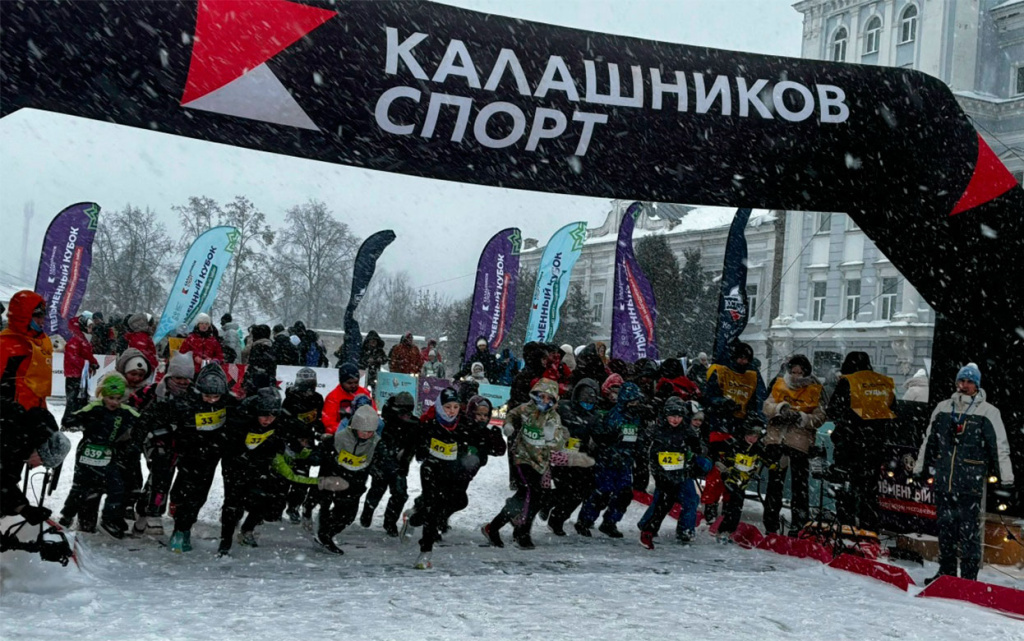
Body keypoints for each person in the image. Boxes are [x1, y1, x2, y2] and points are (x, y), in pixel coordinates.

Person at [913, 363, 1015, 583]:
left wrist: (1006, 478)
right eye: (962, 381)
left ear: (977, 385)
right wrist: (919, 468)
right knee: (946, 531)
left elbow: (1000, 446)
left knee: (969, 535)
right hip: (944, 482)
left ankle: (968, 579)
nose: (964, 385)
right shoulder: (942, 408)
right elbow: (928, 440)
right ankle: (946, 573)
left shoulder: (988, 412)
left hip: (970, 484)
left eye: (969, 382)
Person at [484, 380, 591, 550]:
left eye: (549, 398)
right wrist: (509, 425)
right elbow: (511, 413)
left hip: (541, 462)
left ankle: (494, 526)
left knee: (532, 497)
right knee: (529, 491)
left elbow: (558, 445)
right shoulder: (526, 409)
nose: (545, 401)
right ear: (535, 395)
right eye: (542, 396)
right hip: (522, 458)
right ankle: (522, 532)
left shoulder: (554, 418)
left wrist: (552, 438)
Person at [408, 389, 505, 568]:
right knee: (432, 505)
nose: (451, 411)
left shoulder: (463, 426)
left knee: (453, 502)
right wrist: (423, 449)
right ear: (439, 406)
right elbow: (417, 443)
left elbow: (495, 449)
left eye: (454, 407)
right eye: (447, 407)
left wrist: (492, 438)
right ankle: (425, 552)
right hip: (431, 469)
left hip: (451, 473)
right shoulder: (432, 423)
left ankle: (415, 519)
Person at [0, 290, 62, 523]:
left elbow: (39, 386)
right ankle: (12, 510)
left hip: (33, 417)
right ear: (23, 316)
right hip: (9, 418)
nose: (41, 321)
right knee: (6, 471)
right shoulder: (5, 344)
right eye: (36, 316)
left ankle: (12, 512)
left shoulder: (42, 342)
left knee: (16, 470)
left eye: (43, 316)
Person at [59, 373, 139, 538]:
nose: (114, 402)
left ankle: (109, 520)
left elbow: (144, 420)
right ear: (103, 394)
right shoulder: (94, 408)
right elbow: (69, 420)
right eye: (111, 398)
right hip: (87, 454)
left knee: (117, 488)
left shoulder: (125, 411)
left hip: (108, 455)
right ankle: (67, 517)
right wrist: (81, 420)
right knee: (80, 488)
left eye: (118, 398)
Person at [168, 363, 237, 552]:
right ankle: (179, 528)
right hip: (190, 454)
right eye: (208, 396)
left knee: (198, 495)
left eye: (216, 397)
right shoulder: (186, 402)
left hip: (212, 456)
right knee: (184, 490)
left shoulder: (230, 403)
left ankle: (185, 526)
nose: (213, 401)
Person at [826, 351, 896, 532]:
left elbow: (833, 410)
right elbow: (893, 411)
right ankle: (869, 531)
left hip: (850, 445)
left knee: (846, 489)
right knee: (869, 492)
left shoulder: (848, 381)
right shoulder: (883, 382)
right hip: (875, 446)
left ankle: (847, 529)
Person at [129, 352, 194, 536]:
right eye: (178, 377)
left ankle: (142, 514)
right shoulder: (154, 391)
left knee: (162, 478)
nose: (182, 382)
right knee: (161, 472)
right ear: (170, 375)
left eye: (186, 379)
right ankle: (153, 514)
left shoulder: (192, 395)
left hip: (178, 443)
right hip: (154, 439)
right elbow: (132, 408)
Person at [762, 354, 825, 535]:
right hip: (777, 441)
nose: (796, 375)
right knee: (774, 485)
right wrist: (780, 409)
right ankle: (771, 526)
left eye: (800, 372)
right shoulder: (780, 384)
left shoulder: (815, 390)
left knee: (800, 488)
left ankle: (799, 526)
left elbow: (820, 417)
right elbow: (767, 406)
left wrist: (802, 418)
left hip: (799, 444)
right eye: (793, 371)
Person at [638, 398, 710, 549]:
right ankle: (647, 530)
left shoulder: (687, 430)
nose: (675, 420)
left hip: (681, 474)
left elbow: (699, 448)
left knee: (689, 500)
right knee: (662, 503)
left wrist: (695, 455)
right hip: (662, 474)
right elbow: (643, 447)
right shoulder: (656, 430)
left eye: (678, 416)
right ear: (665, 415)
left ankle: (684, 530)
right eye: (672, 416)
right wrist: (652, 468)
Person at [576, 381, 643, 538]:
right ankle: (584, 521)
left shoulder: (636, 418)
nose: (635, 404)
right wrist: (610, 442)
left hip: (625, 463)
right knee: (602, 494)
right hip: (608, 462)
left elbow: (637, 438)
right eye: (632, 401)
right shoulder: (612, 416)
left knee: (624, 494)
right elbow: (601, 438)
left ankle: (610, 522)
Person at [314, 405, 380, 555]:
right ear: (355, 427)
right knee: (326, 506)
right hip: (334, 479)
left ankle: (326, 533)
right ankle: (324, 535)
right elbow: (325, 456)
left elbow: (382, 460)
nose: (366, 435)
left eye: (370, 432)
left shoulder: (376, 442)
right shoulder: (340, 438)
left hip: (355, 484)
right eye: (363, 431)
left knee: (348, 516)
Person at [547, 378, 601, 536]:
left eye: (591, 399)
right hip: (561, 457)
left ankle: (557, 519)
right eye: (584, 399)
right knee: (563, 490)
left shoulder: (595, 416)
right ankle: (548, 508)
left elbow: (599, 434)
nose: (587, 403)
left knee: (580, 493)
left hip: (582, 459)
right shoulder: (563, 408)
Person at [360, 392, 418, 536]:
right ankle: (367, 513)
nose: (406, 415)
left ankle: (390, 522)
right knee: (377, 490)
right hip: (382, 464)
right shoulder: (385, 422)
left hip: (400, 465)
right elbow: (376, 443)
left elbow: (417, 442)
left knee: (400, 494)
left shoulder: (413, 424)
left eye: (409, 411)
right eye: (403, 411)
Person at [282, 368, 326, 525]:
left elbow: (319, 419)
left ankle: (293, 507)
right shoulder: (290, 400)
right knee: (284, 476)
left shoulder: (318, 399)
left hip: (308, 442)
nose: (308, 393)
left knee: (302, 478)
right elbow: (285, 422)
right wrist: (296, 439)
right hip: (290, 442)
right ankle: (278, 505)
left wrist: (321, 433)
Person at [715, 421, 772, 540]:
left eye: (755, 437)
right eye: (750, 435)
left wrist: (777, 463)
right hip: (731, 479)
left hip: (744, 482)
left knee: (737, 505)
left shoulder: (758, 449)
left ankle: (726, 530)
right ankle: (724, 530)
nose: (752, 439)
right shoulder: (735, 444)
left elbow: (769, 462)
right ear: (745, 435)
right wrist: (724, 468)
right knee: (734, 504)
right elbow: (718, 453)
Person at [62, 315, 99, 424]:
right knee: (73, 400)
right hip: (74, 375)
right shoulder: (76, 339)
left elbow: (87, 354)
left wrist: (93, 363)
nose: (91, 329)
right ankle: (69, 422)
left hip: (81, 375)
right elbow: (72, 357)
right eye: (90, 326)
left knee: (81, 398)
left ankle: (78, 420)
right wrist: (87, 363)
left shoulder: (82, 338)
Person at [323, 363, 375, 435]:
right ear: (341, 382)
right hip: (342, 432)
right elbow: (329, 422)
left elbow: (373, 413)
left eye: (356, 382)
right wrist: (349, 431)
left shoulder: (364, 393)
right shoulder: (333, 397)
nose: (353, 385)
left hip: (364, 429)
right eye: (349, 383)